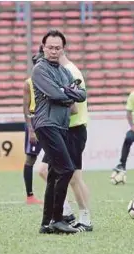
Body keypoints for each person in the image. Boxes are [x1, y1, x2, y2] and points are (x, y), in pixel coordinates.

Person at [32, 30, 86, 234]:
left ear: (63, 49)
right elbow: (54, 93)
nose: (54, 51)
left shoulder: (64, 71)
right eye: (50, 47)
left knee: (56, 172)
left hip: (62, 125)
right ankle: (57, 218)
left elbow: (82, 95)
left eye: (58, 48)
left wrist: (64, 92)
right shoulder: (39, 70)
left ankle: (46, 223)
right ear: (43, 47)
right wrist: (66, 92)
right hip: (46, 124)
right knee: (66, 169)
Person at [22, 47, 44, 205]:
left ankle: (59, 194)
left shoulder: (49, 81)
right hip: (35, 120)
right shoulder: (29, 83)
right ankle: (30, 196)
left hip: (48, 119)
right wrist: (31, 129)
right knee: (30, 159)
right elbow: (25, 107)